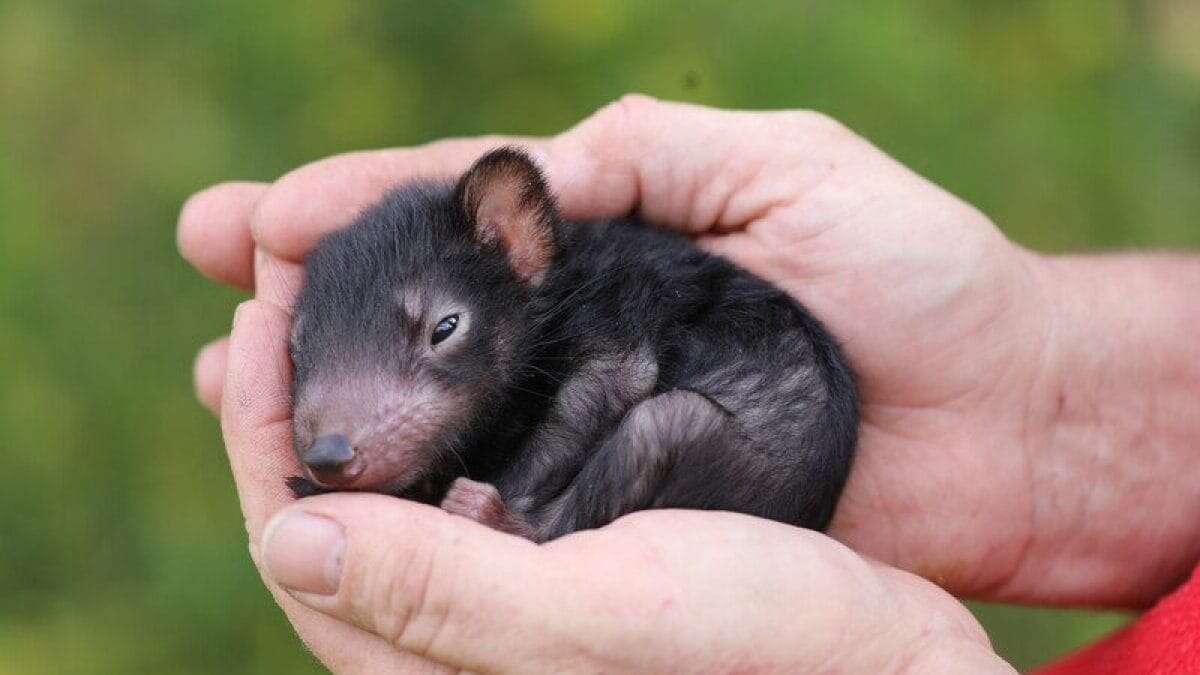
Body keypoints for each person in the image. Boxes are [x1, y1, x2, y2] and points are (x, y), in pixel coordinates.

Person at [178, 96, 1200, 673]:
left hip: (750, 420)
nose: (332, 428)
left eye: (438, 334)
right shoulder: (518, 320)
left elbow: (614, 384)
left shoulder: (591, 318)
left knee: (643, 422)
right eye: (313, 357)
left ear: (518, 248)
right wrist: (1061, 384)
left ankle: (526, 521)